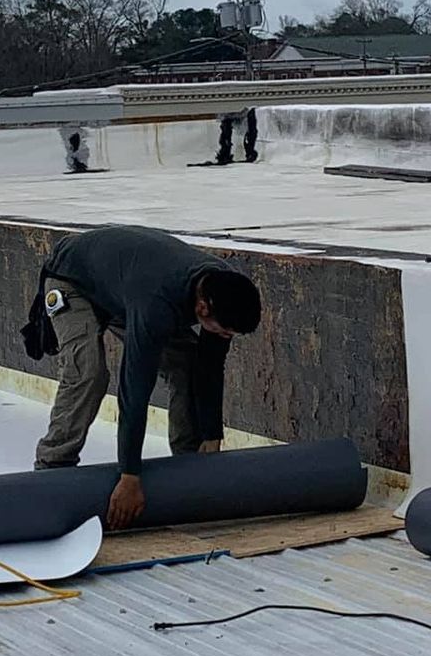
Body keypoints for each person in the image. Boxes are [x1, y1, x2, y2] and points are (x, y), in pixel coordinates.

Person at [29, 225, 263, 529]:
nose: (224, 337)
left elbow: (208, 367)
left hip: (121, 287)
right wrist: (129, 476)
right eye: (222, 331)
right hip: (74, 279)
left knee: (187, 364)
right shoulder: (156, 303)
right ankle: (52, 467)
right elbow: (134, 392)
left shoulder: (223, 289)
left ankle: (190, 462)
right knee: (88, 373)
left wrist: (211, 434)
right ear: (202, 308)